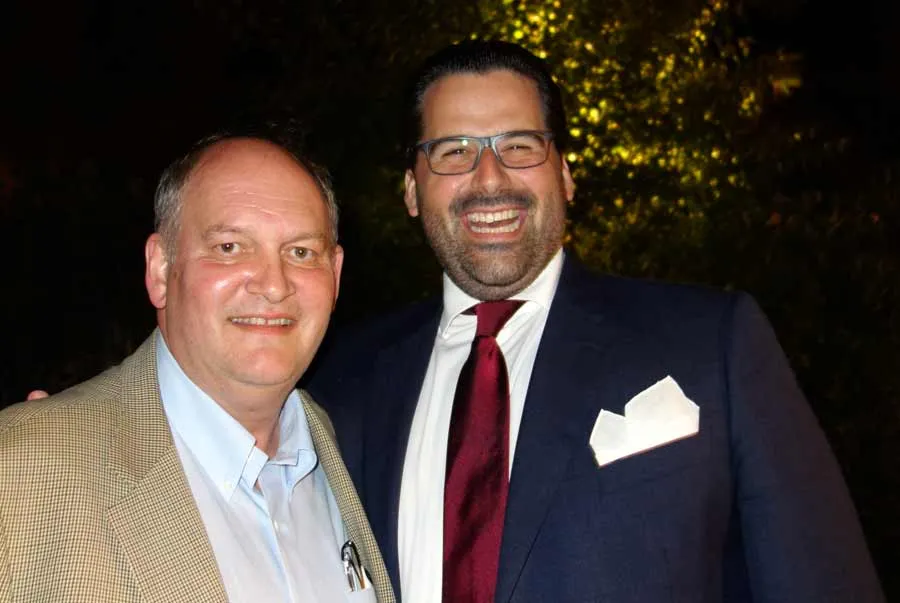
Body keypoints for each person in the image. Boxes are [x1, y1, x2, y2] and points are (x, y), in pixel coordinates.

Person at [305, 40, 884, 602]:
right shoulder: (338, 383)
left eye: (520, 146)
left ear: (565, 174)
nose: (489, 178)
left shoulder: (713, 343)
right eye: (454, 151)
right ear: (412, 189)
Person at [1, 132, 394, 603]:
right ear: (160, 270)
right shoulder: (26, 468)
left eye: (301, 252)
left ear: (335, 275)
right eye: (230, 247)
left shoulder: (343, 447)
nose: (274, 285)